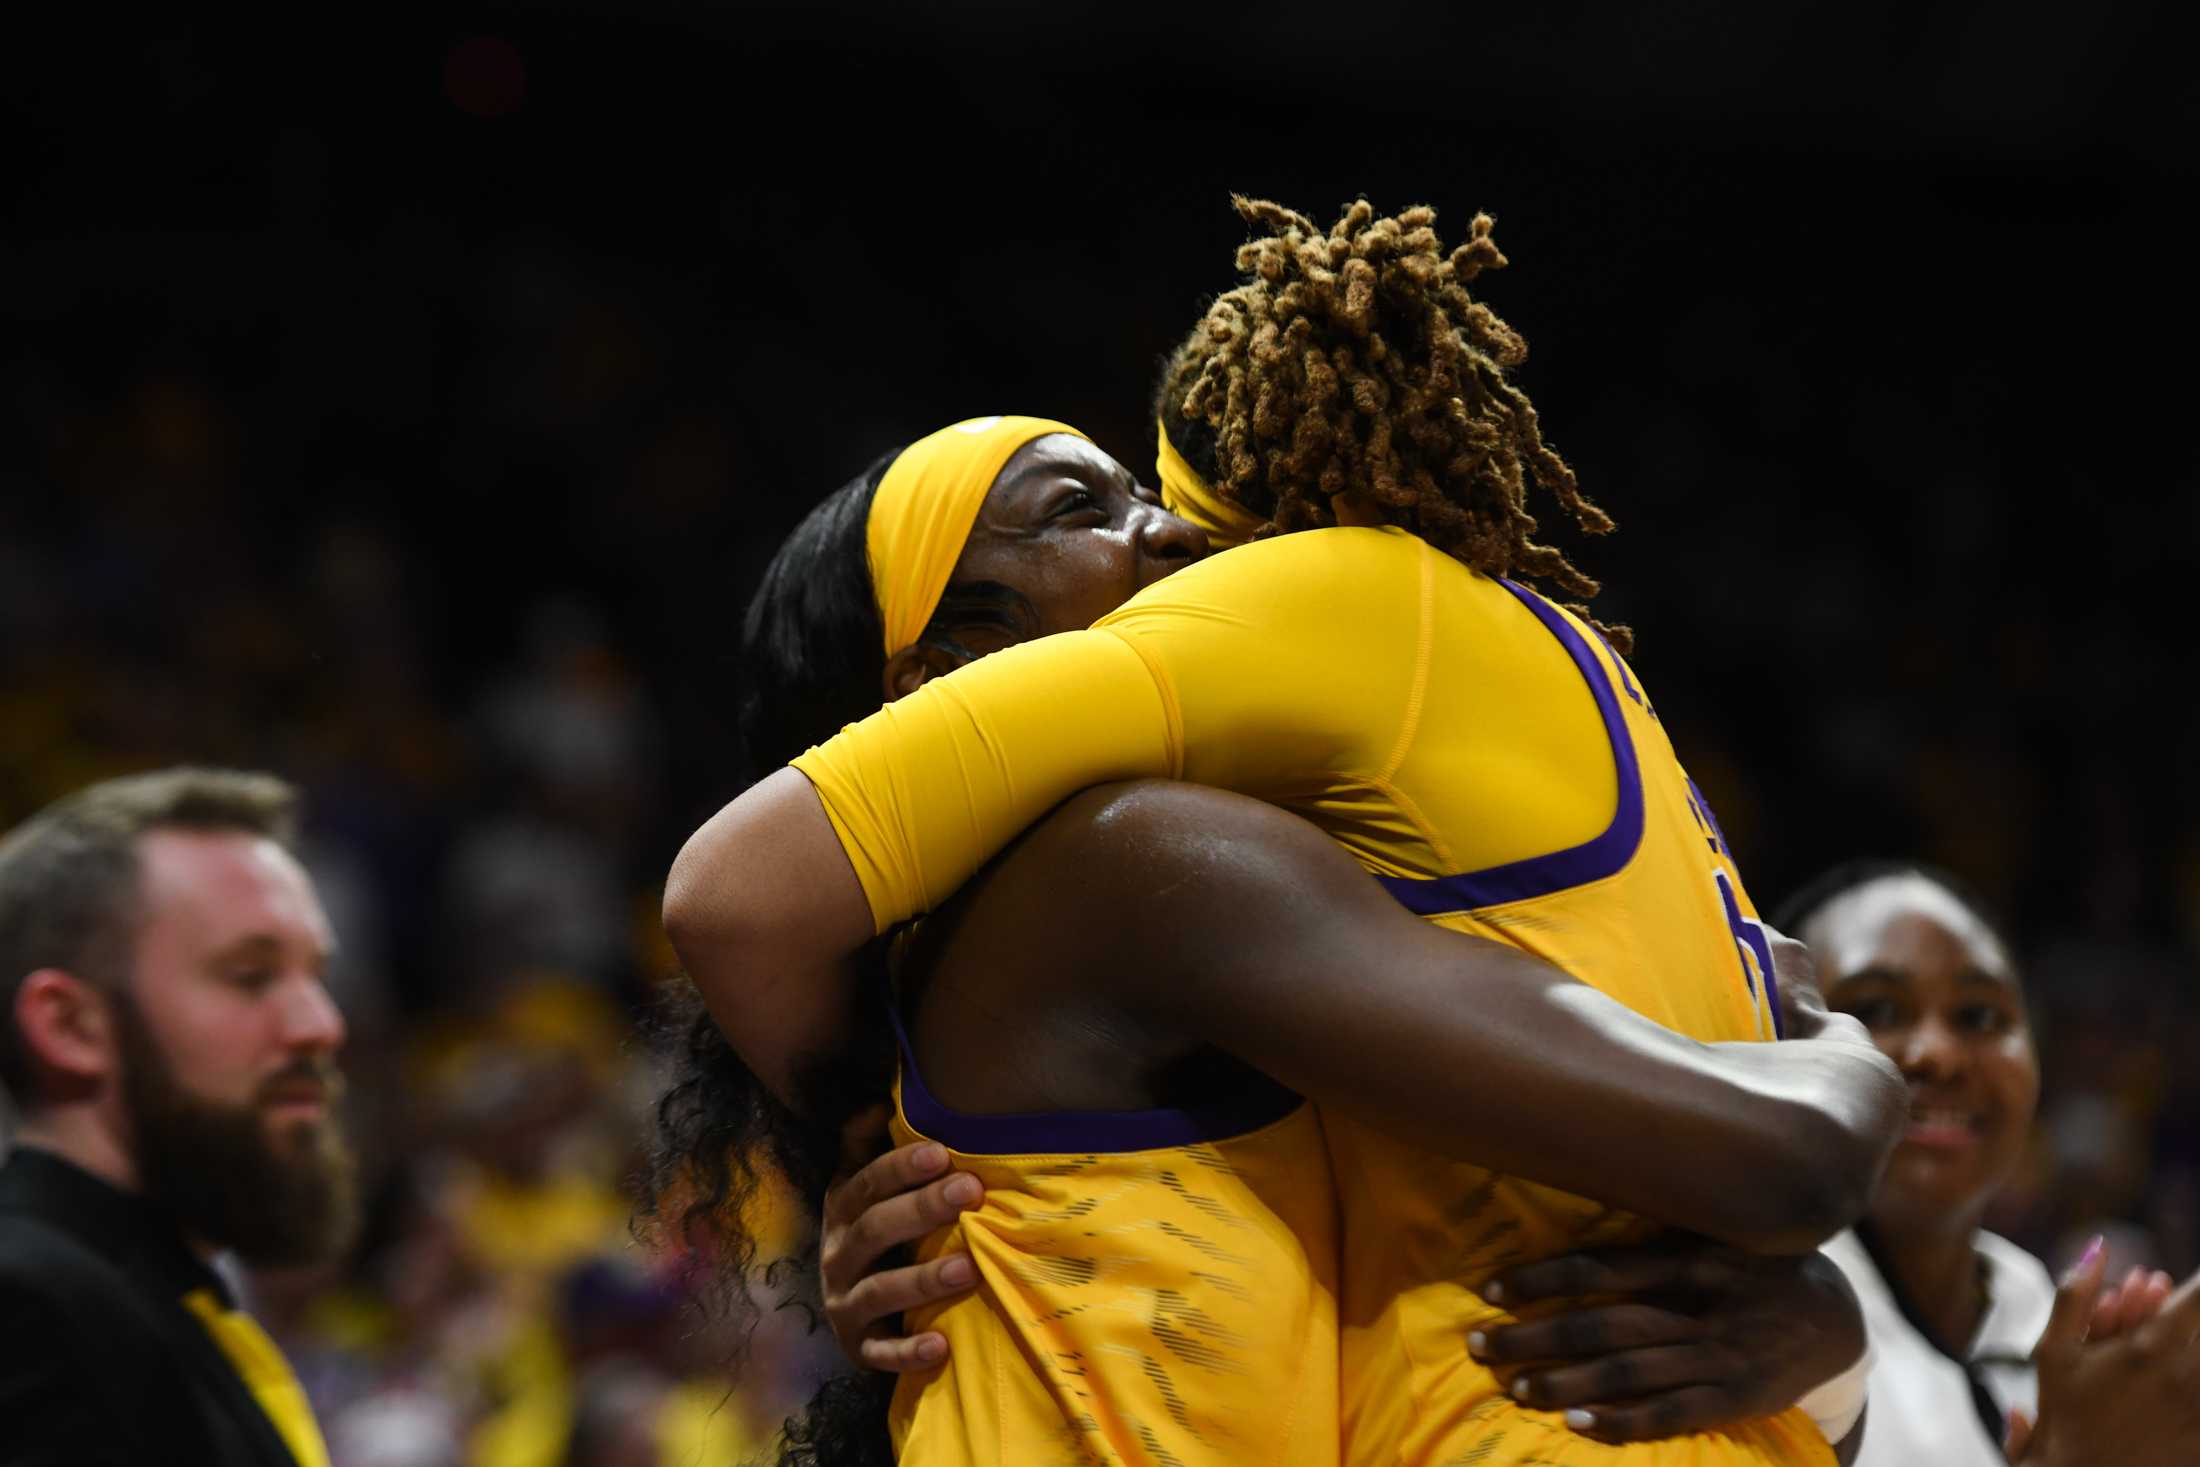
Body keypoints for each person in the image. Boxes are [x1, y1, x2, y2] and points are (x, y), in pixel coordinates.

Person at [664, 397, 1902, 1463]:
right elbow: (1782, 1160)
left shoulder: (1189, 957)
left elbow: (1565, 1326)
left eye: (1141, 490)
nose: (1176, 530)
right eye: (1074, 513)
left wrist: (1821, 1342)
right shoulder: (1143, 869)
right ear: (943, 683)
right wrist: (1835, 1032)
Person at [1467, 860, 2200, 1467]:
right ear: (1776, 1048)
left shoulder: (2035, 1301)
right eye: (1876, 1011)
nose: (1936, 1053)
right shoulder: (1734, 1305)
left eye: (1980, 1016)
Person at [0, 767, 355, 1467]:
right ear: (70, 1025)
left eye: (316, 975)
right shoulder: (30, 1312)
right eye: (250, 976)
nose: (323, 1024)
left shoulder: (156, 1302)